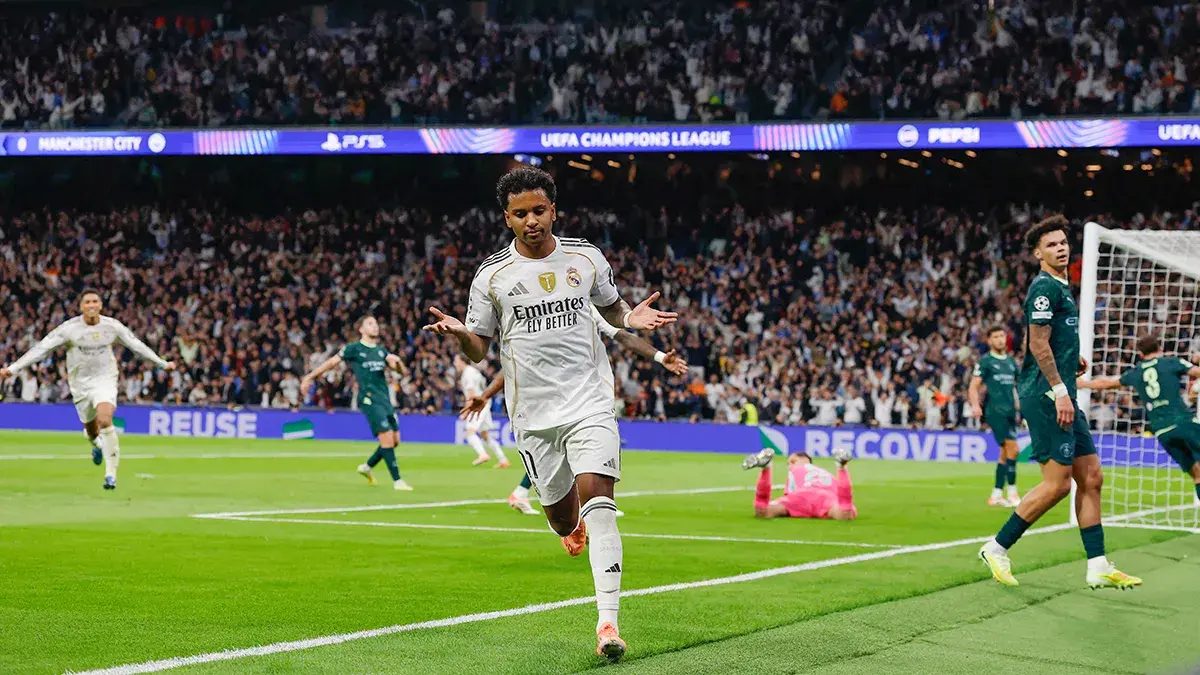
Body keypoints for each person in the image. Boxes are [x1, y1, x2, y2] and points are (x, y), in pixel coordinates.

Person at [423, 166, 677, 662]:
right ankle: (569, 529)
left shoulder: (585, 256)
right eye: (521, 214)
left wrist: (631, 317)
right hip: (533, 416)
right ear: (507, 219)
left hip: (590, 402)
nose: (531, 220)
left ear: (553, 209)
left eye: (539, 210)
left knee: (599, 500)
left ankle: (608, 623)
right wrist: (459, 333)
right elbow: (480, 349)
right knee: (562, 518)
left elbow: (613, 308)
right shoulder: (492, 276)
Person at [978, 216, 1140, 590]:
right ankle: (997, 547)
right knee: (1058, 485)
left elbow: (1044, 343)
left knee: (1092, 478)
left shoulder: (1063, 286)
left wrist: (1070, 361)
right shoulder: (1044, 287)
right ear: (1038, 254)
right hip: (1049, 395)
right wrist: (1061, 389)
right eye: (1051, 245)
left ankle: (1097, 564)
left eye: (1064, 242)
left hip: (1060, 387)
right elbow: (1036, 343)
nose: (1061, 248)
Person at [461, 304, 689, 516]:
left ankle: (533, 495)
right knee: (574, 454)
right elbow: (518, 363)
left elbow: (623, 336)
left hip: (586, 395)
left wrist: (659, 357)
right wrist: (485, 395)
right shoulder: (543, 317)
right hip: (561, 399)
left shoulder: (584, 305)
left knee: (578, 453)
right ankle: (588, 505)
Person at [0, 288, 175, 490]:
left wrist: (162, 364)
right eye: (87, 302)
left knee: (105, 419)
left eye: (95, 302)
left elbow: (136, 346)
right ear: (81, 307)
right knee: (91, 430)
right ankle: (96, 444)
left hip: (105, 379)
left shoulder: (112, 327)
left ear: (100, 305)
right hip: (80, 384)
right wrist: (12, 369)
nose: (91, 305)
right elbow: (41, 349)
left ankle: (111, 475)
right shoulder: (69, 329)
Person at [1078, 333, 1200, 505]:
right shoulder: (1171, 362)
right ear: (1160, 349)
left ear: (1141, 354)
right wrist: (1194, 390)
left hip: (1162, 431)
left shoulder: (1137, 372)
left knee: (1197, 474)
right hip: (1184, 422)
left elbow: (1109, 383)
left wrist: (1084, 384)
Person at [301, 315, 411, 491]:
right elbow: (331, 362)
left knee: (395, 441)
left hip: (385, 400)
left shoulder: (382, 351)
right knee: (386, 439)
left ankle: (367, 467)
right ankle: (398, 481)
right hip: (369, 399)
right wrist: (310, 377)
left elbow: (403, 372)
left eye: (375, 323)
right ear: (361, 329)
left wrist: (397, 364)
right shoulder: (354, 348)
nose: (374, 326)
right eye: (369, 324)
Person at [969, 325, 1022, 507]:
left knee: (1004, 454)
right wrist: (975, 405)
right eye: (996, 337)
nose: (1000, 339)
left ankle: (997, 494)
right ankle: (1013, 492)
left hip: (1010, 412)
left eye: (1002, 336)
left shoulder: (1011, 362)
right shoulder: (986, 362)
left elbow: (1019, 385)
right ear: (989, 340)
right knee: (1013, 449)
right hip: (995, 411)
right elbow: (973, 386)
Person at [741, 447, 858, 520]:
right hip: (825, 498)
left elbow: (789, 496)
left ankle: (766, 467)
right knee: (845, 513)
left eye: (792, 461)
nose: (790, 466)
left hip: (800, 496)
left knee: (762, 511)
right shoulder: (826, 474)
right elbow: (843, 493)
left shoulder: (796, 470)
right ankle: (841, 467)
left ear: (806, 460)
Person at [454, 354, 510, 468]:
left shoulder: (467, 373)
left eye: (456, 361)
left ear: (462, 361)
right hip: (485, 402)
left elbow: (471, 393)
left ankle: (482, 454)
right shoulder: (473, 371)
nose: (455, 364)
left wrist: (467, 410)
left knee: (470, 432)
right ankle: (503, 460)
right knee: (485, 435)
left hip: (478, 404)